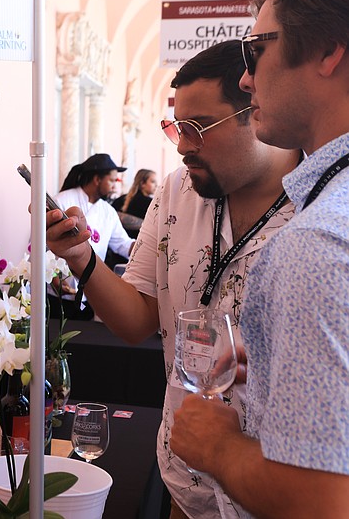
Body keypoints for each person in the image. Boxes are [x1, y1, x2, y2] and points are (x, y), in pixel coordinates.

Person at [45, 40, 301, 518]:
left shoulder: (317, 212)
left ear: (256, 112)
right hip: (186, 481)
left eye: (198, 128)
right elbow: (138, 319)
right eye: (176, 127)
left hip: (278, 493)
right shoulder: (178, 191)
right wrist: (81, 258)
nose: (182, 145)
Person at [170, 0, 349, 516]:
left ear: (328, 51)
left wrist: (219, 445)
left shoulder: (316, 243)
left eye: (256, 50)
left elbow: (321, 502)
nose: (247, 78)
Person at [52, 153, 135, 319]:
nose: (114, 186)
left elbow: (123, 244)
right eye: (111, 180)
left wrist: (149, 249)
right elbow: (43, 246)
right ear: (97, 179)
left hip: (91, 294)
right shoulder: (63, 201)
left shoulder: (108, 211)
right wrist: (54, 278)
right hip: (58, 295)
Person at [111, 168, 157, 238]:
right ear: (142, 184)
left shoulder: (121, 199)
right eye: (153, 182)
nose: (156, 185)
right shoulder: (150, 203)